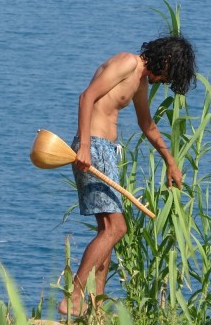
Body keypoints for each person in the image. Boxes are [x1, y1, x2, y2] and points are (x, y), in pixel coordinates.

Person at [58, 35, 197, 316]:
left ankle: (95, 308)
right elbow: (86, 97)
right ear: (166, 59)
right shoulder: (127, 62)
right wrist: (84, 146)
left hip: (107, 151)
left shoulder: (140, 82)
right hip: (93, 149)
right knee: (117, 229)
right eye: (170, 74)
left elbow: (147, 124)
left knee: (106, 232)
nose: (165, 80)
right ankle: (74, 296)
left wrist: (170, 161)